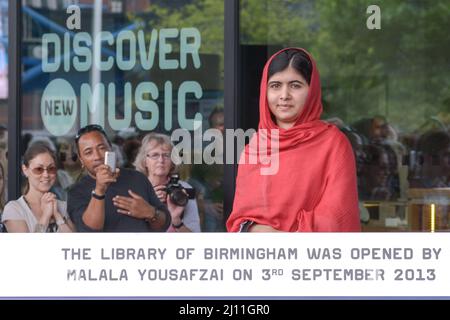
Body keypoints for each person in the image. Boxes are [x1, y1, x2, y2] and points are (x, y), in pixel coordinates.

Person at [226, 48, 360, 232]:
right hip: (260, 258)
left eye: (295, 85)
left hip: (313, 258)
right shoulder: (255, 147)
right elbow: (241, 221)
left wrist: (285, 240)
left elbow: (337, 215)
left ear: (312, 89)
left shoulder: (333, 143)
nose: (284, 95)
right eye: (275, 86)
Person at [67, 125, 172, 232]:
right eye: (88, 152)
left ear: (111, 149)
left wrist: (150, 213)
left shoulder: (137, 178)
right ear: (81, 160)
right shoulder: (76, 192)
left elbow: (164, 223)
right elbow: (89, 231)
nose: (97, 156)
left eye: (102, 148)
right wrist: (99, 190)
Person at [134, 133, 201, 232]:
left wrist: (176, 220)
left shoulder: (183, 188)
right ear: (145, 161)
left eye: (166, 155)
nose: (161, 160)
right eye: (155, 155)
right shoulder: (135, 189)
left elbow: (195, 237)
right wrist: (150, 206)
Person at [1, 143, 75, 232]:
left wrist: (57, 216)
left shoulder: (62, 206)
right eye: (39, 169)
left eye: (51, 169)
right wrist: (46, 216)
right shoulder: (14, 208)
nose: (46, 175)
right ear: (25, 170)